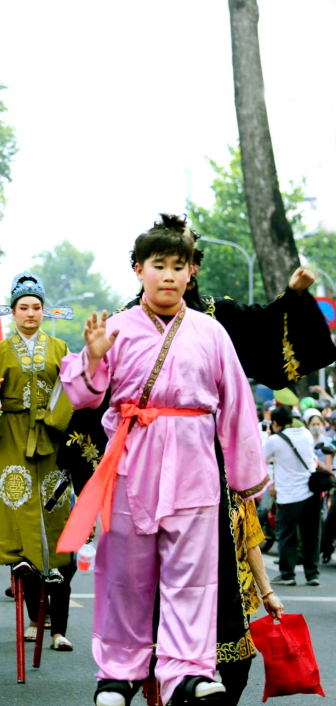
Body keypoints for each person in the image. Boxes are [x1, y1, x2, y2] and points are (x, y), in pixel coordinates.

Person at [58, 216, 270, 706]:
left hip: (194, 461)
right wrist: (91, 361)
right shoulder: (115, 328)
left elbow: (236, 403)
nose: (170, 275)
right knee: (126, 573)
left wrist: (244, 476)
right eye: (159, 265)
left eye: (179, 266)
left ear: (191, 273)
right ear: (139, 270)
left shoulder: (211, 332)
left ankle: (189, 670)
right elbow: (83, 397)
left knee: (192, 574)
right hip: (133, 460)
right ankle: (118, 672)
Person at [0, 273, 76, 650]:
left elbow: (72, 390)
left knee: (56, 518)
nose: (30, 313)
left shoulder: (61, 348)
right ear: (12, 313)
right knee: (20, 518)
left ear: (44, 311)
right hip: (13, 438)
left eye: (36, 307)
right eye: (23, 308)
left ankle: (58, 626)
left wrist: (55, 420)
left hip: (51, 439)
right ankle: (34, 617)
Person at [263, 404, 320, 586]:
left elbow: (261, 459)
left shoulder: (274, 440)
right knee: (311, 534)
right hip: (311, 493)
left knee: (287, 535)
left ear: (275, 423)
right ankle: (312, 574)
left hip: (289, 495)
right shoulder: (305, 434)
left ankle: (288, 574)